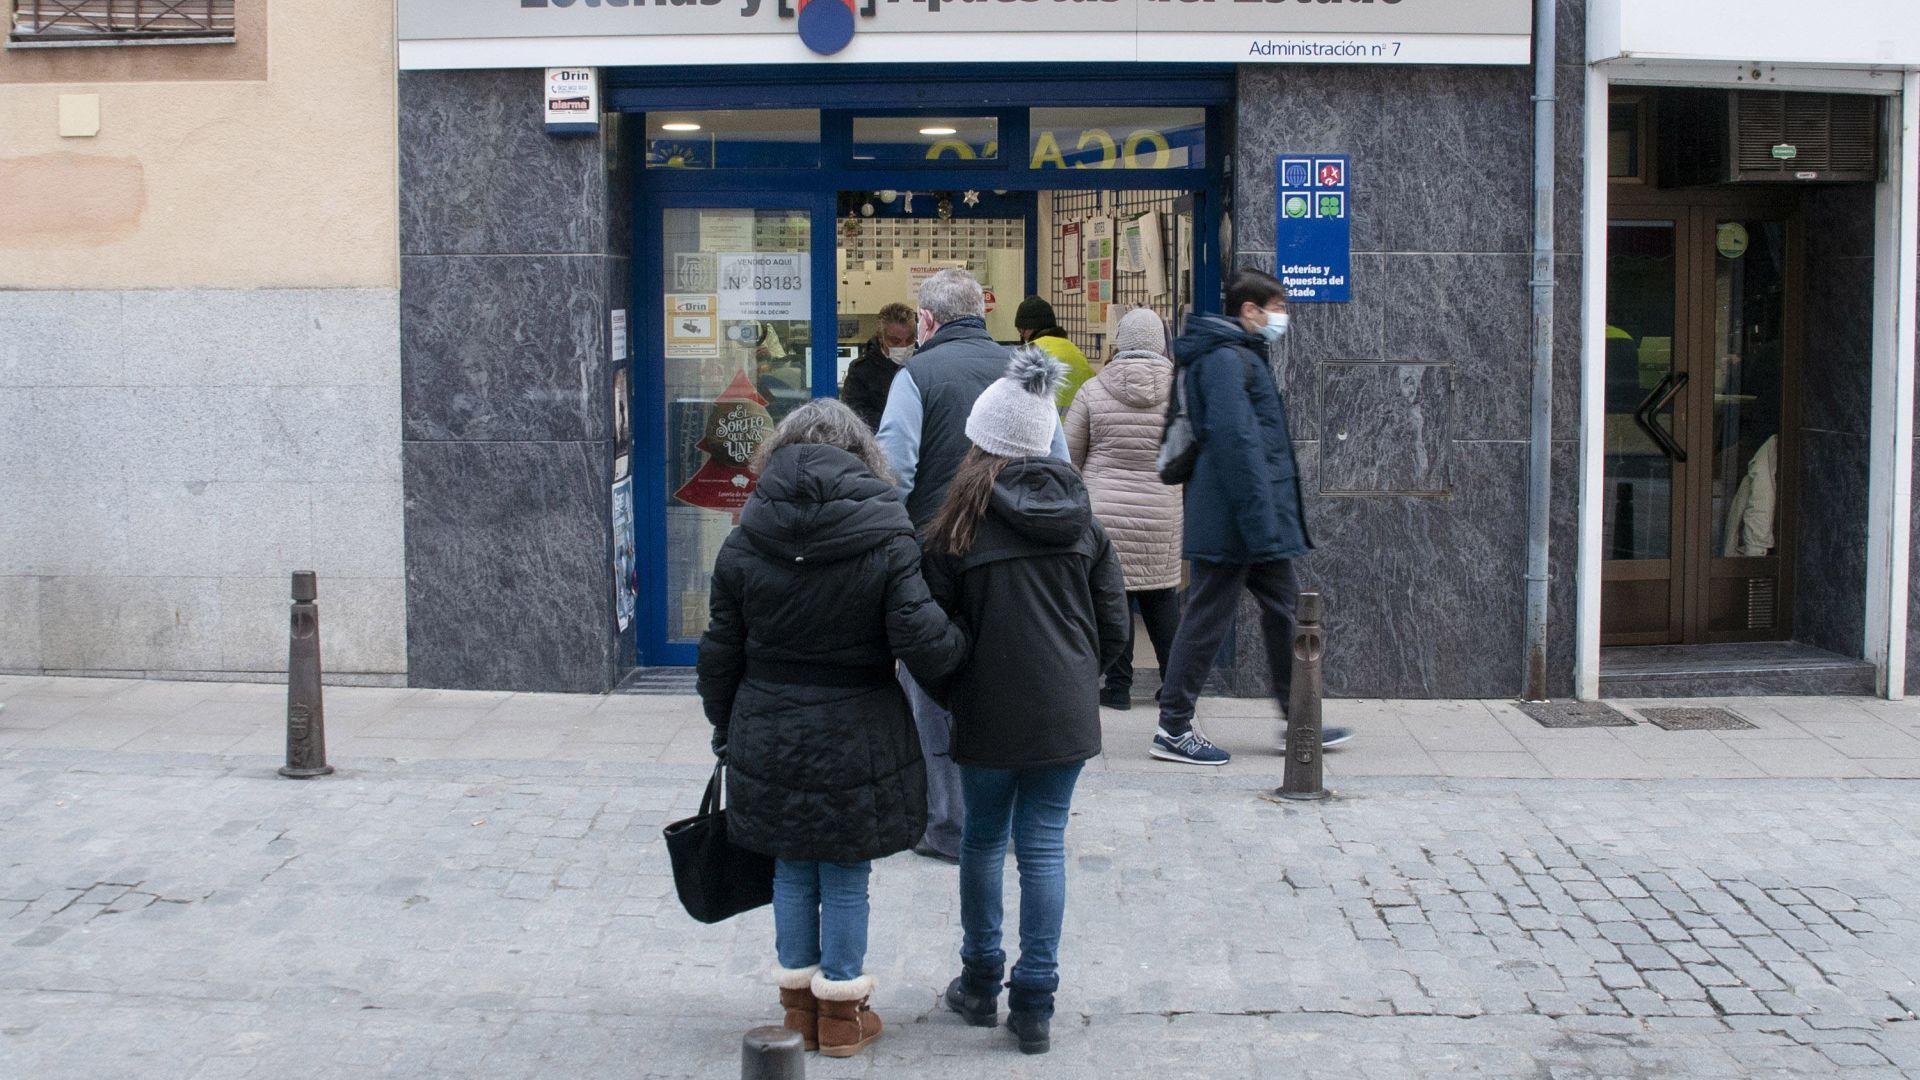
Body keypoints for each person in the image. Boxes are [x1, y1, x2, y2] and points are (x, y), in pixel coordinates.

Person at [696, 398, 969, 1059]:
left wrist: (724, 721)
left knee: (791, 862)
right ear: (863, 456)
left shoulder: (746, 531)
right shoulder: (888, 530)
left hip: (769, 719)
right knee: (845, 868)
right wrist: (965, 653)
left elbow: (720, 649)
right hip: (860, 722)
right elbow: (921, 638)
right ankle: (843, 1016)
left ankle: (796, 1012)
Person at [921, 346, 1130, 1056]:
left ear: (982, 443)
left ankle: (980, 982)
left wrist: (954, 691)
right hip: (1063, 711)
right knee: (1042, 845)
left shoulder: (955, 528)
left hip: (985, 711)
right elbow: (1114, 627)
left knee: (984, 838)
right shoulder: (1084, 521)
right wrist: (1078, 681)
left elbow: (931, 636)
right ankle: (1035, 1000)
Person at [875, 268, 1070, 864]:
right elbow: (1059, 463)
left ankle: (949, 822)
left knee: (933, 683)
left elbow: (895, 472)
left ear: (926, 322)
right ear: (983, 313)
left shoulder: (914, 375)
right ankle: (1008, 818)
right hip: (1018, 557)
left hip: (940, 559)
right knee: (1008, 678)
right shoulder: (1024, 371)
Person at [1151, 270, 1350, 766]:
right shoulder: (1224, 360)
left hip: (1249, 517)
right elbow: (1237, 443)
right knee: (1208, 618)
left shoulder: (1239, 355)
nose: (1282, 315)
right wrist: (1260, 521)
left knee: (1285, 613)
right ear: (1249, 311)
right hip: (1235, 519)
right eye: (1276, 305)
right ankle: (1173, 726)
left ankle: (1297, 715)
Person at [1065, 307, 1184, 711]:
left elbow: (1068, 457)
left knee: (1115, 599)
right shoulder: (1182, 393)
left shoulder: (1093, 390)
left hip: (1105, 516)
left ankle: (1117, 689)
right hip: (1161, 514)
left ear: (1121, 342)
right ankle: (1174, 687)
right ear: (1162, 344)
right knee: (1162, 601)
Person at [841, 302, 917, 432]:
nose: (903, 346)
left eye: (910, 340)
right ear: (881, 338)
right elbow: (855, 415)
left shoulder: (923, 363)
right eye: (895, 341)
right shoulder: (861, 371)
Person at [1013, 296, 1096, 411]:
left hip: (1044, 426)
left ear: (1028, 328)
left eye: (1021, 330)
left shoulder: (1030, 352)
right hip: (1077, 426)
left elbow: (1016, 398)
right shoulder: (1077, 352)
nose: (1022, 336)